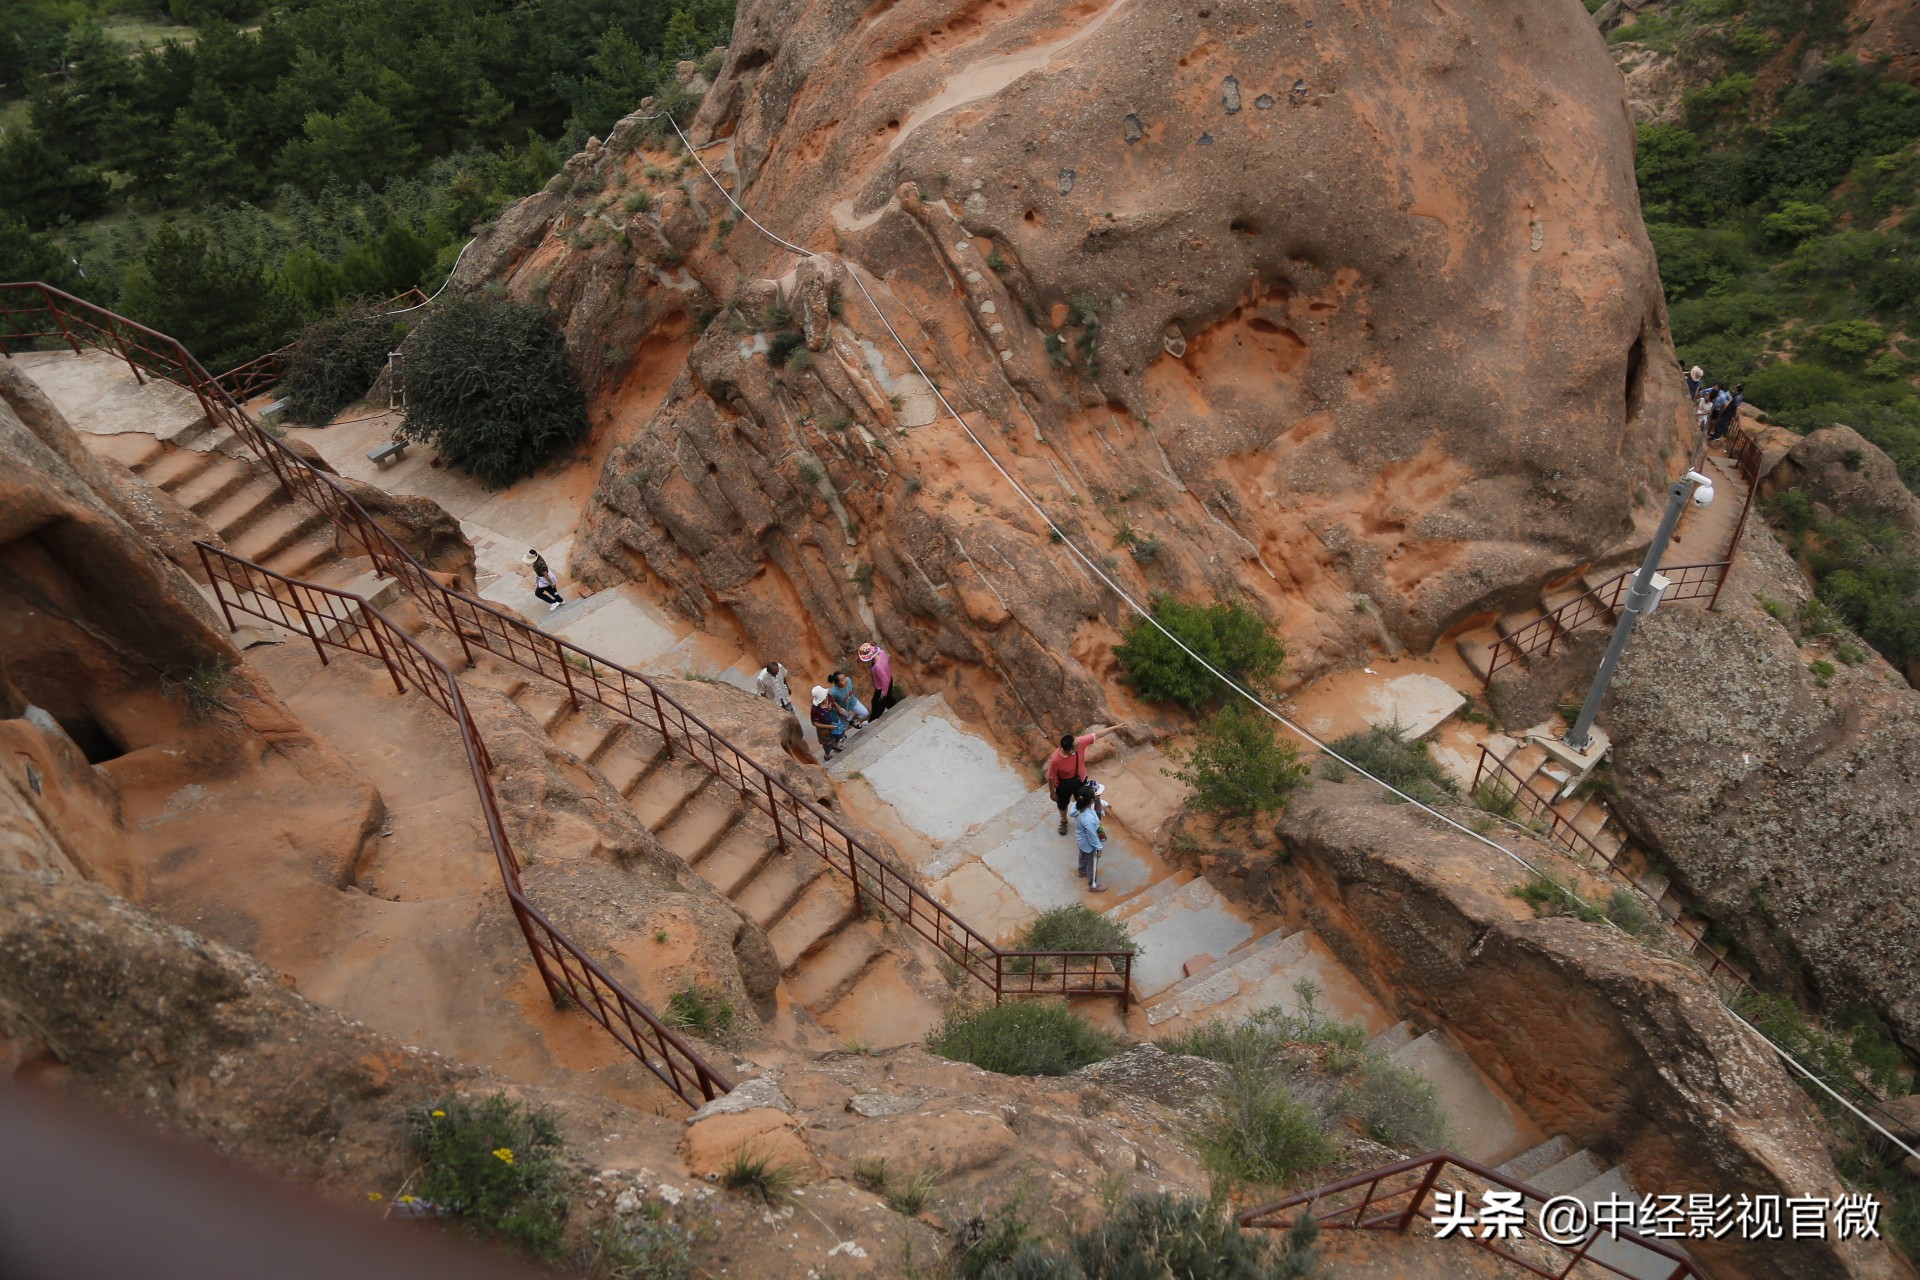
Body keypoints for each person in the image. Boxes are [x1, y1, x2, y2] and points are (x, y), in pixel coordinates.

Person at [1046, 722, 1127, 835]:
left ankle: (1084, 819)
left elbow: (1097, 735)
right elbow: (1051, 777)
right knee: (1062, 804)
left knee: (1083, 801)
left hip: (1080, 780)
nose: (1079, 743)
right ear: (1070, 750)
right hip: (1064, 784)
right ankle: (1064, 820)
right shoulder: (1055, 760)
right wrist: (1052, 793)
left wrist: (1115, 727)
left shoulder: (1079, 742)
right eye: (1076, 745)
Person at [1071, 781, 1107, 891]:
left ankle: (1081, 871)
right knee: (1093, 863)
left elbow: (1072, 812)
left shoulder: (1076, 807)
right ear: (1092, 800)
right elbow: (1092, 835)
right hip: (1089, 844)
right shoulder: (1089, 818)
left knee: (1082, 856)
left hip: (1080, 840)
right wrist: (1098, 847)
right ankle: (1093, 885)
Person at [857, 642, 900, 718]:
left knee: (875, 702)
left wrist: (884, 693)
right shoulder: (882, 652)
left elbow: (885, 681)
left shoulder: (878, 667)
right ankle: (896, 711)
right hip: (889, 678)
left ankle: (873, 719)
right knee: (889, 699)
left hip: (882, 687)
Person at [809, 685, 847, 759]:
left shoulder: (828, 697)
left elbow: (834, 702)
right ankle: (827, 754)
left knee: (839, 734)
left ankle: (836, 744)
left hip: (835, 721)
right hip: (825, 730)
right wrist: (828, 727)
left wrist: (840, 709)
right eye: (825, 696)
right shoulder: (815, 710)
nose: (827, 696)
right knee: (827, 743)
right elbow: (814, 723)